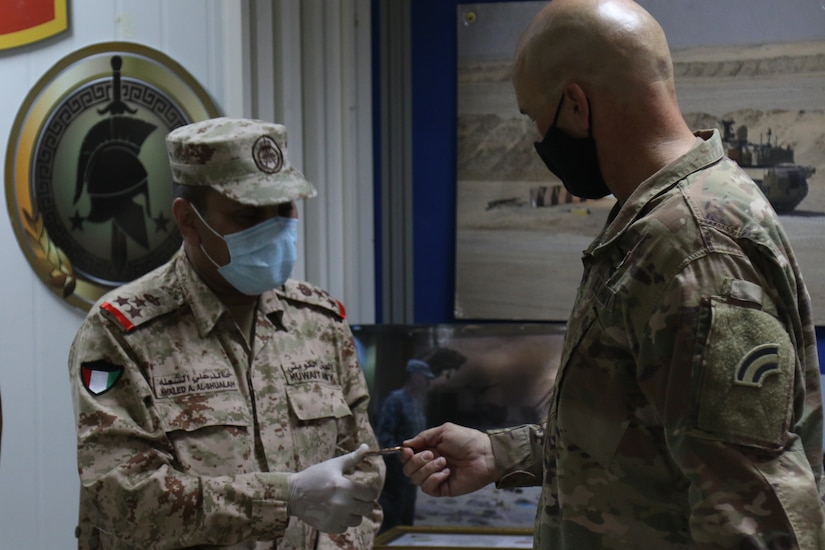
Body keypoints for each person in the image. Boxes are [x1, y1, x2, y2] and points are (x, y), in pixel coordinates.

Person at [401, 1, 825, 548]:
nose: (537, 140)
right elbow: (643, 428)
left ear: (576, 105)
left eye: (535, 118)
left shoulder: (695, 246)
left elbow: (753, 514)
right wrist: (500, 454)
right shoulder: (655, 224)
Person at [68, 117, 385, 549]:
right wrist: (284, 498)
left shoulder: (319, 322)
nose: (275, 228)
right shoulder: (123, 331)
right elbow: (123, 495)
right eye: (248, 215)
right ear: (189, 221)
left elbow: (363, 470)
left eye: (285, 209)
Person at [374, 359, 435, 532]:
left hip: (412, 474)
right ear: (415, 377)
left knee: (406, 521)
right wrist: (399, 459)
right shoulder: (395, 401)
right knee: (391, 521)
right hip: (396, 473)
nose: (428, 382)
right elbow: (385, 437)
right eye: (425, 378)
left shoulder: (416, 403)